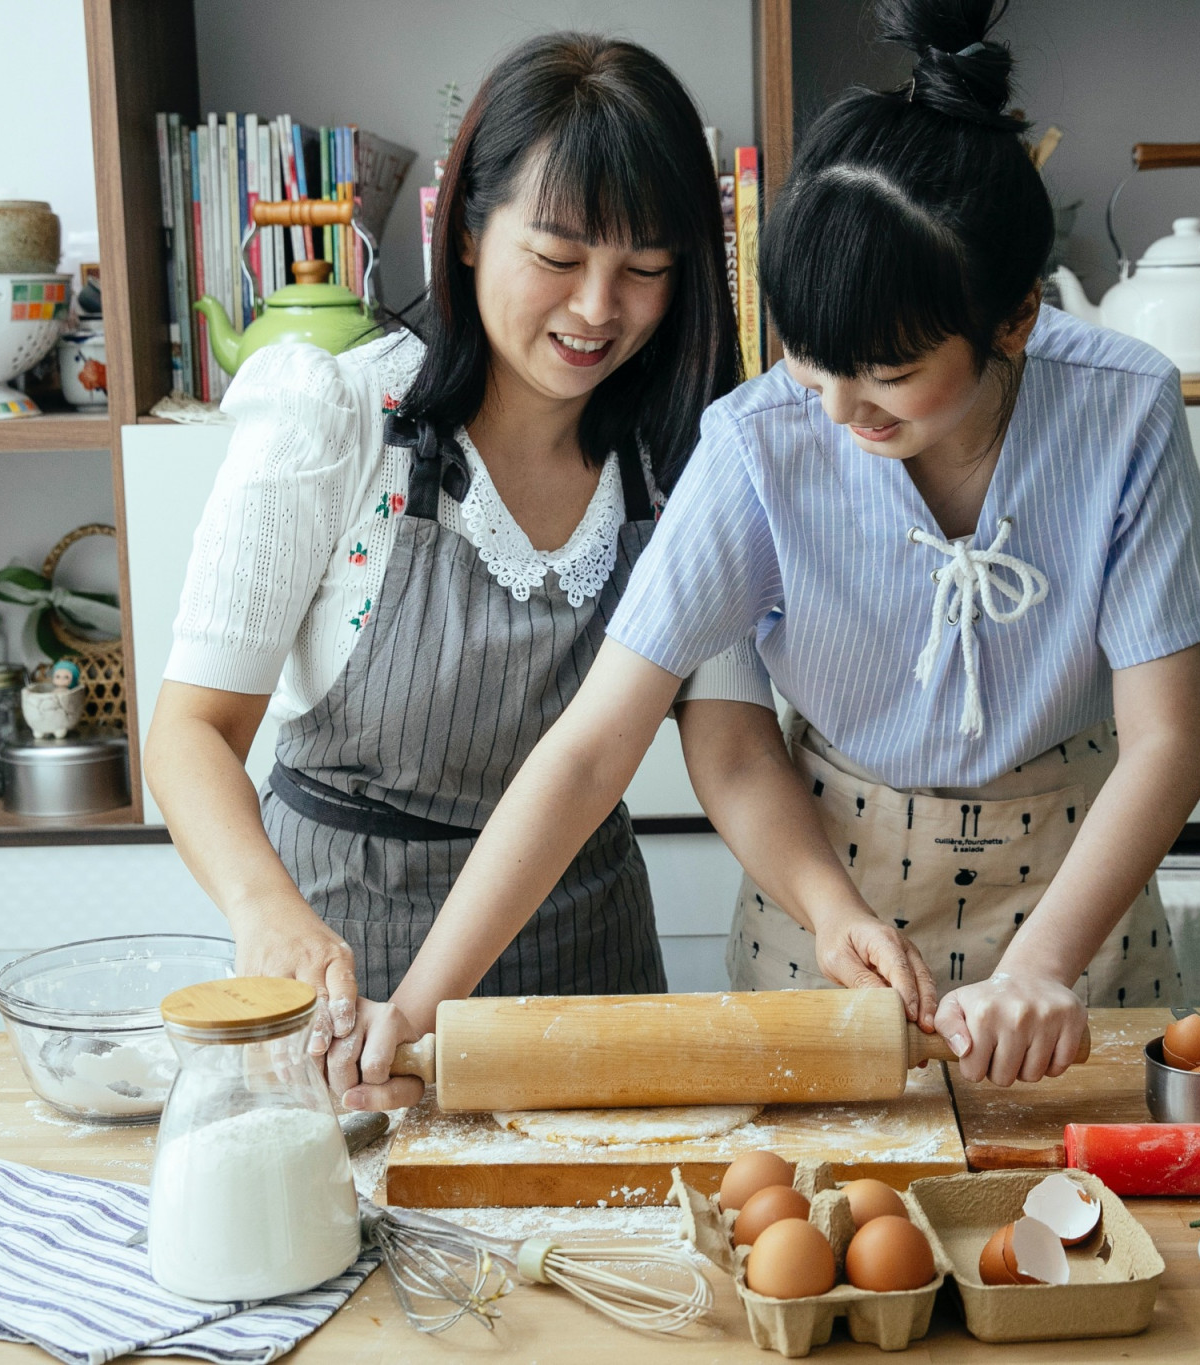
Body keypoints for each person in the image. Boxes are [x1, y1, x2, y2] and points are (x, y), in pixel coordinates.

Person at [333, 0, 1200, 1109]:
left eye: (891, 374)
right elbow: (589, 751)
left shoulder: (1121, 407)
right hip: (829, 898)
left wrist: (1044, 967)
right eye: (814, 362)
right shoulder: (758, 441)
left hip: (1073, 905)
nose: (842, 409)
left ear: (1013, 320)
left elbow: (1166, 743)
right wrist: (413, 1014)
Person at [142, 31, 739, 1108]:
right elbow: (190, 733)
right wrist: (264, 911)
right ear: (464, 231)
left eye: (644, 269)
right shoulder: (335, 418)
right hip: (347, 982)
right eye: (556, 258)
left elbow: (729, 742)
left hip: (585, 976)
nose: (598, 308)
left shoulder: (678, 461)